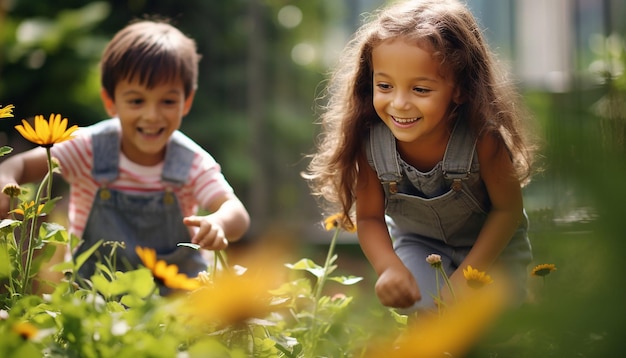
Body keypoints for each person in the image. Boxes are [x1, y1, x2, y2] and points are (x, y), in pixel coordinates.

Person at [304, 0, 536, 312]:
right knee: (426, 313)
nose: (399, 103)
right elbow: (371, 217)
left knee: (493, 324)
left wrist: (468, 277)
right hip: (420, 245)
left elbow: (507, 211)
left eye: (421, 90)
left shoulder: (484, 139)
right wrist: (389, 267)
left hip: (491, 249)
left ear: (460, 89)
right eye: (385, 85)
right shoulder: (370, 143)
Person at [0, 20, 250, 292]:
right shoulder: (88, 147)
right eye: (136, 101)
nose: (152, 115)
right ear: (110, 102)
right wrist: (6, 178)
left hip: (174, 304)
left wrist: (219, 223)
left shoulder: (190, 161)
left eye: (167, 101)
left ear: (186, 102)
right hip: (93, 300)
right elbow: (21, 165)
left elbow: (237, 212)